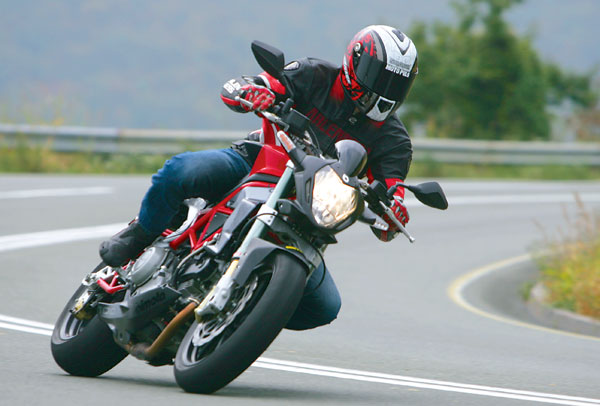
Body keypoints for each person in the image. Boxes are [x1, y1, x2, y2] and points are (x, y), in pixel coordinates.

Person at [99, 25, 418, 330]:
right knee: (181, 171)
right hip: (256, 163)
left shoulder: (394, 141)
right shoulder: (314, 74)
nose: (385, 90)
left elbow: (393, 193)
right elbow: (255, 85)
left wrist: (395, 213)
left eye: (396, 84)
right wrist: (253, 92)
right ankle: (140, 234)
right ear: (355, 62)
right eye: (380, 77)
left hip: (309, 211)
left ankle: (245, 312)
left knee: (324, 307)